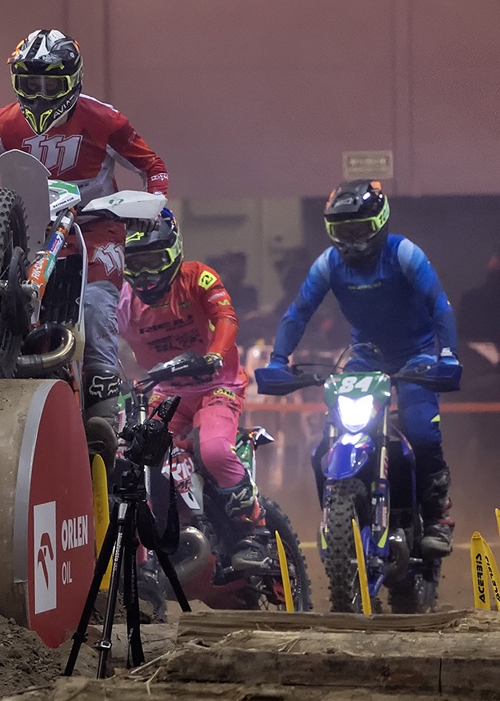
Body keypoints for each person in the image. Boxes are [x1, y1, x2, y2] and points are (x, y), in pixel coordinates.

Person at [0, 28, 168, 438]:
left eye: (51, 84)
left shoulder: (105, 120)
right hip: (28, 228)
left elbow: (152, 167)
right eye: (30, 83)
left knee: (97, 307)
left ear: (73, 80)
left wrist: (154, 206)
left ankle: (103, 411)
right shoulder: (6, 121)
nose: (40, 94)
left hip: (93, 226)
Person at [266, 181, 461, 557]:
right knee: (330, 435)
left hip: (416, 354)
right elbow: (298, 312)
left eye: (359, 229)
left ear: (381, 222)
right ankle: (335, 512)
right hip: (365, 357)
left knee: (422, 431)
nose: (352, 240)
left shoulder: (404, 253)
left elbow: (439, 304)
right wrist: (278, 360)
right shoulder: (328, 263)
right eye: (343, 231)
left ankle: (437, 516)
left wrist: (448, 356)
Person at [118, 211, 267, 572]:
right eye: (135, 264)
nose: (145, 274)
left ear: (174, 252)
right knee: (132, 459)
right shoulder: (123, 301)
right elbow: (103, 341)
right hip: (166, 393)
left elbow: (226, 318)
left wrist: (215, 354)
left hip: (217, 385)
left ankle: (255, 535)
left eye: (154, 261)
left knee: (213, 450)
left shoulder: (199, 277)